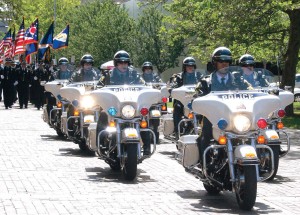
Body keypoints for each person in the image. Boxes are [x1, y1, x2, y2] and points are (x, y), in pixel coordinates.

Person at [194, 47, 251, 167]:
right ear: (215, 63)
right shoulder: (206, 81)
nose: (224, 64)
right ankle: (204, 164)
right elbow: (197, 97)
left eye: (227, 61)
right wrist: (198, 100)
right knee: (205, 135)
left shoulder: (239, 80)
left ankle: (254, 162)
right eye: (221, 61)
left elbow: (252, 93)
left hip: (236, 116)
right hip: (213, 117)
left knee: (251, 134)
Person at [99, 50, 151, 155]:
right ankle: (101, 144)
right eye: (120, 62)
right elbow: (99, 86)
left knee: (143, 119)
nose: (123, 64)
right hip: (114, 106)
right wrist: (99, 90)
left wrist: (149, 90)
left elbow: (145, 86)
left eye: (125, 62)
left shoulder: (135, 74)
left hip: (131, 106)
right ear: (116, 63)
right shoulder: (108, 75)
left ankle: (147, 147)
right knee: (103, 114)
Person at [170, 57, 202, 136]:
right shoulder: (178, 77)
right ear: (184, 67)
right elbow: (172, 86)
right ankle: (177, 130)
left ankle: (205, 130)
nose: (190, 67)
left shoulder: (199, 76)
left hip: (196, 99)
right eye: (188, 66)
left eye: (192, 66)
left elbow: (205, 85)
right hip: (182, 99)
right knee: (177, 107)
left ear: (194, 66)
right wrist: (173, 88)